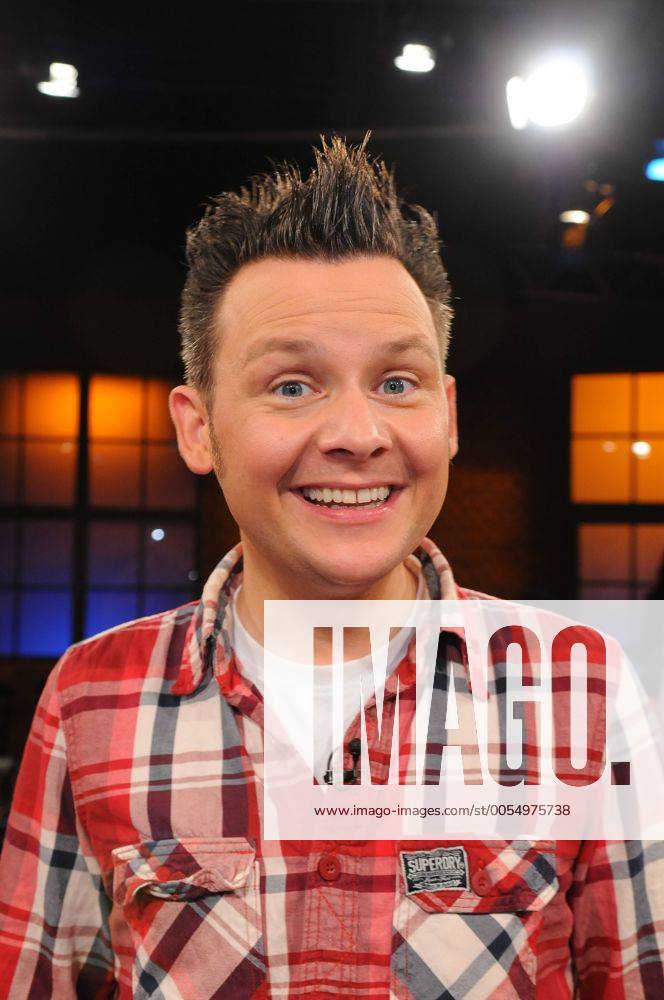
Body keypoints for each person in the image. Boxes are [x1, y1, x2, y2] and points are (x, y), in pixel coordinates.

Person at [0, 134, 662, 998]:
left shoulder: (584, 687)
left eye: (396, 383)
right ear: (198, 428)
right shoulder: (91, 699)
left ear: (449, 416)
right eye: (292, 386)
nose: (357, 434)